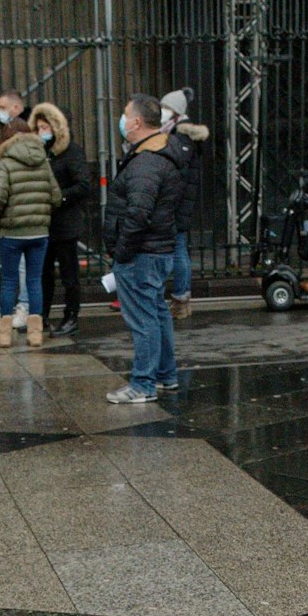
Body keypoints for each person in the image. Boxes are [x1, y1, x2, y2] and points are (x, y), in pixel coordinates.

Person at [103, 94, 188, 403]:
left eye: (125, 115)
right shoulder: (160, 154)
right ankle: (165, 376)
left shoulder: (147, 161)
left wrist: (122, 252)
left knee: (144, 320)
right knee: (156, 313)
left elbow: (138, 212)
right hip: (155, 250)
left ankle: (143, 384)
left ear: (137, 121)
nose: (122, 121)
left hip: (142, 253)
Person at [0, 117, 63, 348]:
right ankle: (35, 334)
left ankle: (4, 335)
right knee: (34, 281)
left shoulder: (6, 162)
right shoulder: (43, 159)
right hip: (39, 232)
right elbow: (56, 196)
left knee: (9, 281)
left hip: (12, 232)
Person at [32, 103, 93, 336]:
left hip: (65, 222)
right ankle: (42, 315)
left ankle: (71, 315)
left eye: (45, 127)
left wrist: (59, 198)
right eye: (38, 128)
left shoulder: (72, 152)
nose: (41, 132)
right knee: (43, 273)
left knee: (69, 274)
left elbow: (83, 185)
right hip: (45, 222)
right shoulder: (42, 151)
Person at [159, 88, 207, 319]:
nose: (163, 113)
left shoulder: (181, 139)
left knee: (177, 248)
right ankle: (181, 297)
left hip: (177, 203)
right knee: (178, 248)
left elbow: (178, 172)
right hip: (181, 201)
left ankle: (181, 298)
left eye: (166, 109)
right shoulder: (182, 136)